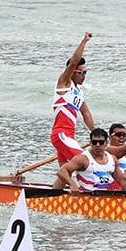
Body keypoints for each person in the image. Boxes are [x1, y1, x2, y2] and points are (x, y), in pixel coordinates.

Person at [50, 32, 96, 165]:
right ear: (72, 73)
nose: (84, 76)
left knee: (65, 171)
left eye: (85, 72)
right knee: (85, 163)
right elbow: (74, 61)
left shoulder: (79, 93)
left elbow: (86, 114)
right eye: (81, 73)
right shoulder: (64, 83)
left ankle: (60, 186)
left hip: (69, 135)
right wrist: (84, 41)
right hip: (61, 134)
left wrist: (96, 133)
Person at [53, 128, 126, 194]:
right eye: (94, 142)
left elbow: (122, 182)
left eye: (101, 142)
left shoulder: (113, 159)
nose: (97, 145)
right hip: (86, 196)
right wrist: (72, 184)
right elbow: (62, 171)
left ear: (106, 143)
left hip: (106, 197)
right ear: (90, 143)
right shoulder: (83, 159)